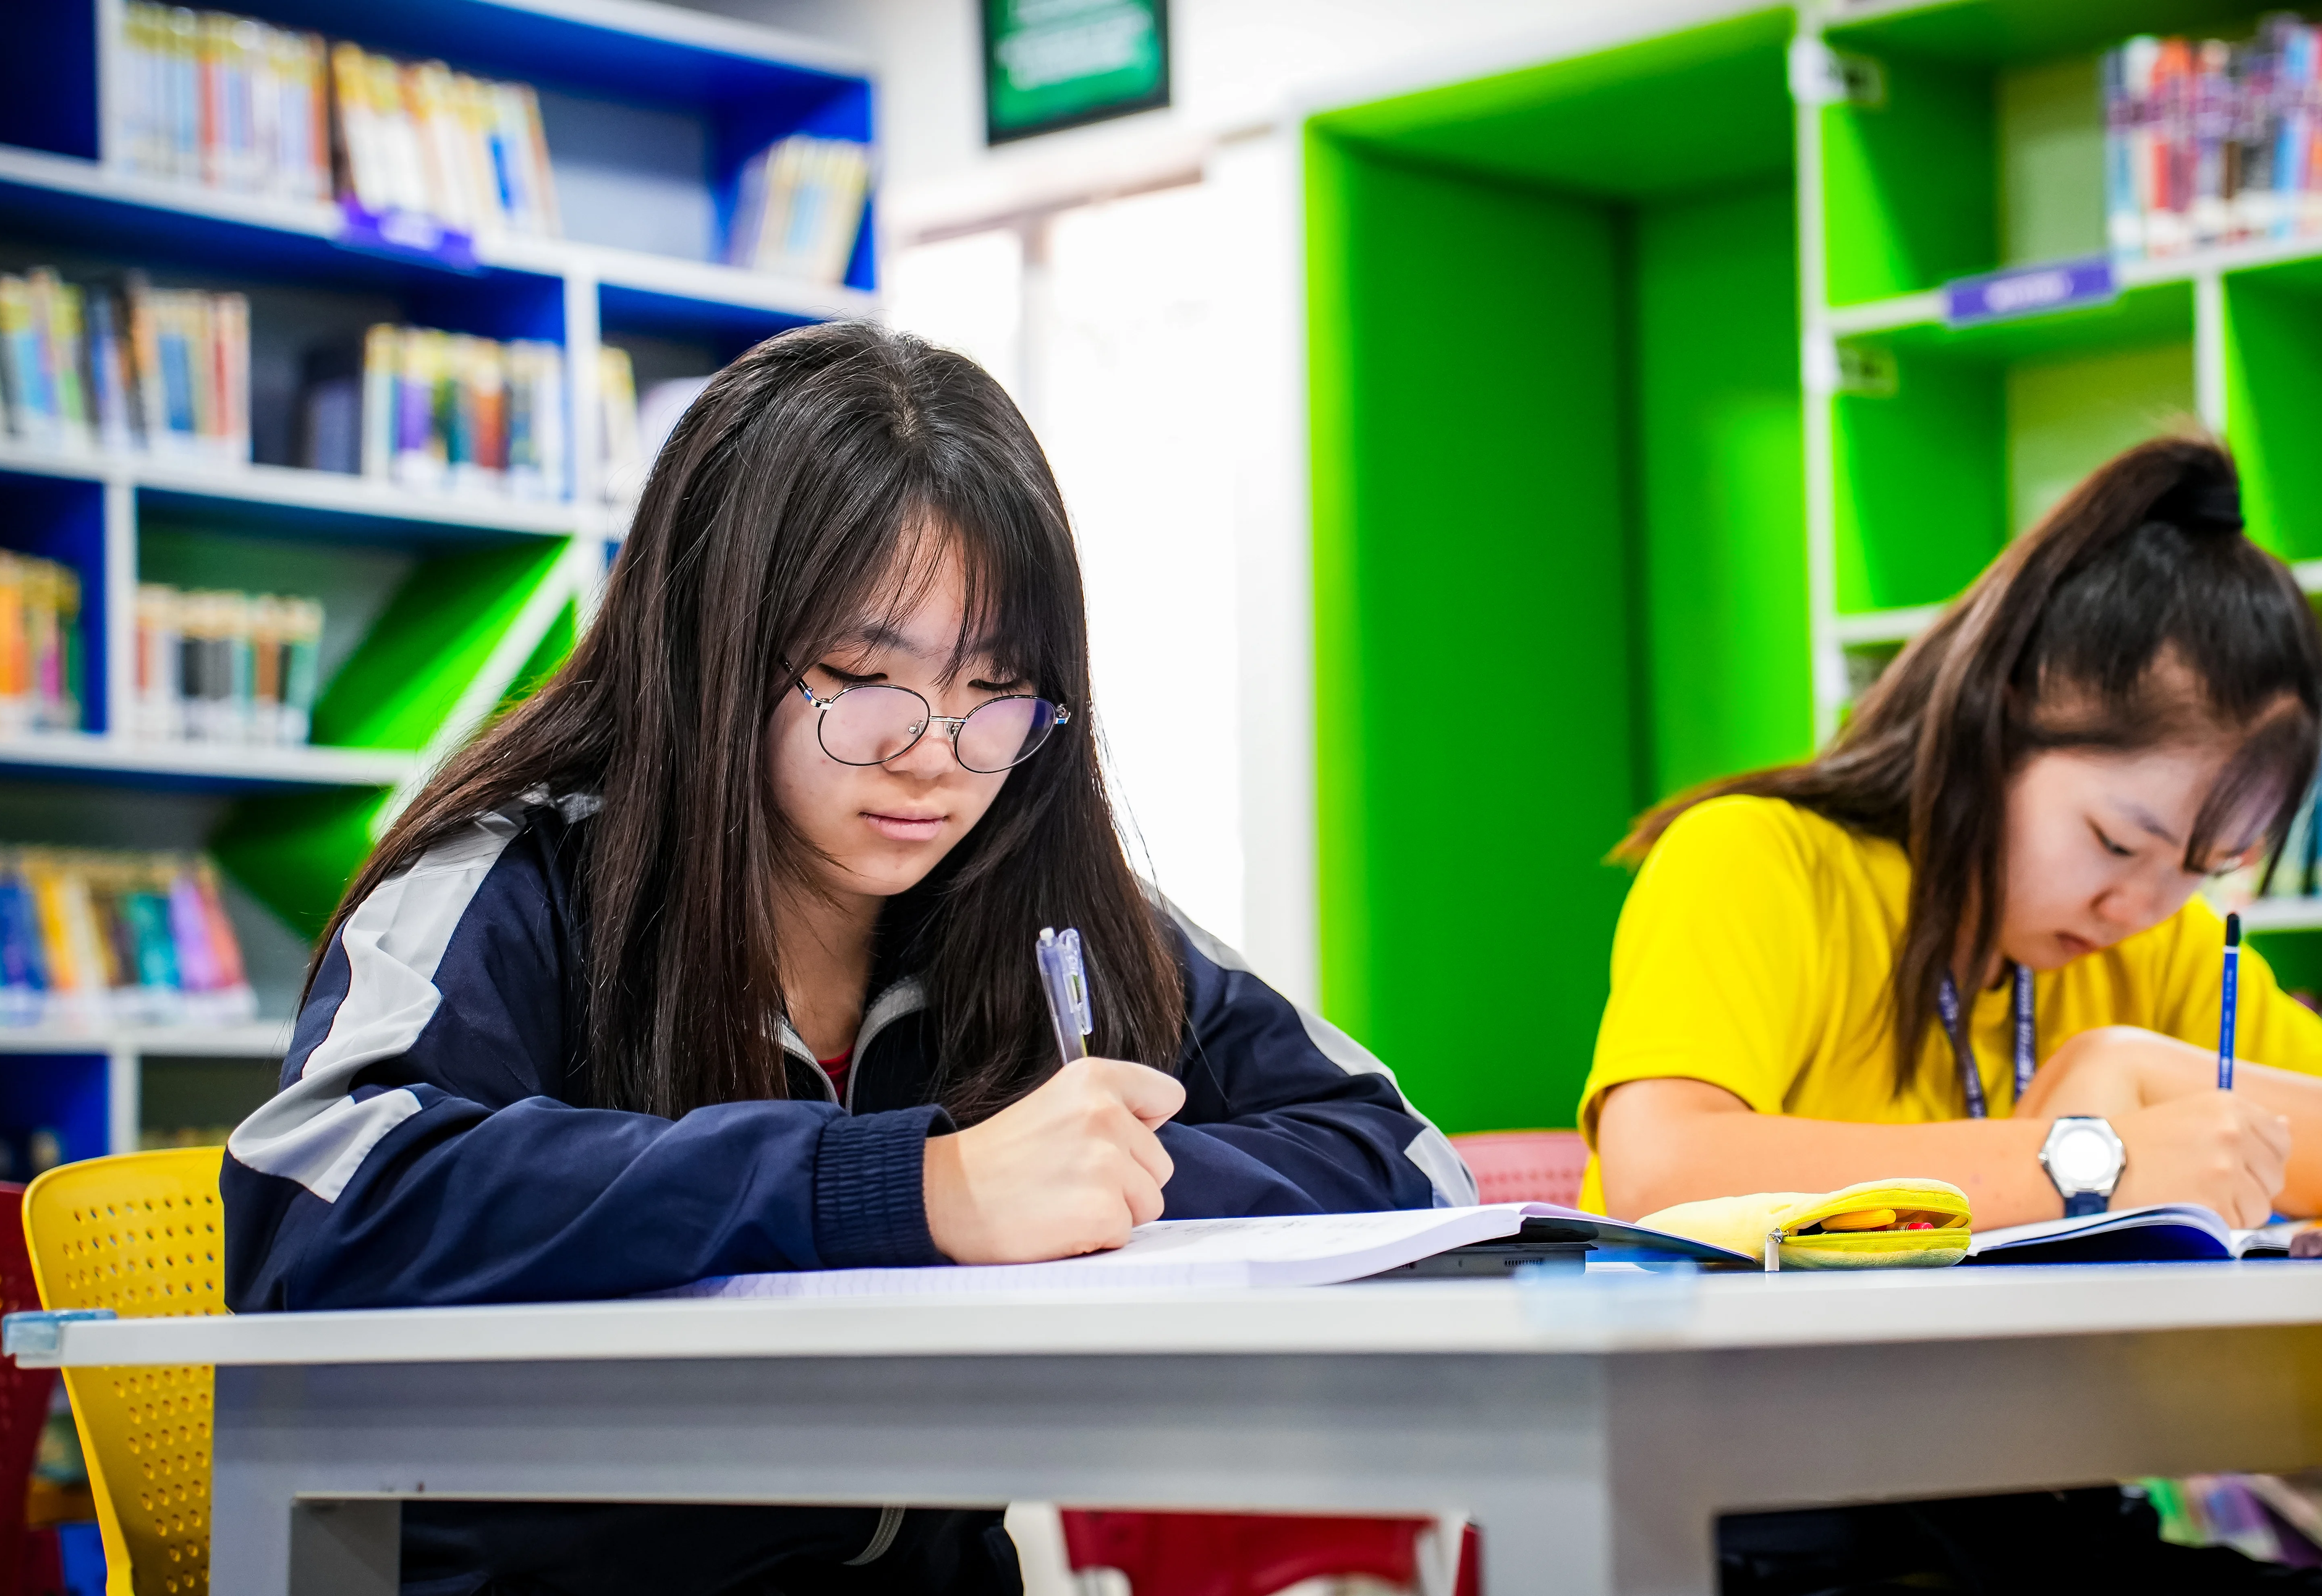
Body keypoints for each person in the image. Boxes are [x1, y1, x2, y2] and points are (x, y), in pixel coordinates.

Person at [220, 320, 1471, 1596]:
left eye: (998, 690)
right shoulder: (518, 878)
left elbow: (1407, 1164)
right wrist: (903, 1189)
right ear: (709, 649)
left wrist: (1092, 1188)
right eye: (864, 677)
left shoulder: (1040, 896)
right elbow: (317, 1209)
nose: (936, 753)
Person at [1579, 436, 2322, 1595]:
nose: (2139, 903)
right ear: (1997, 723)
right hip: (1749, 1518)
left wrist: (2126, 1060)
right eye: (2117, 841)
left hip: (2037, 1509)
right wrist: (2089, 1159)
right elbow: (1666, 1177)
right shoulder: (1757, 863)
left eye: (2201, 870)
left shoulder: (2153, 944)